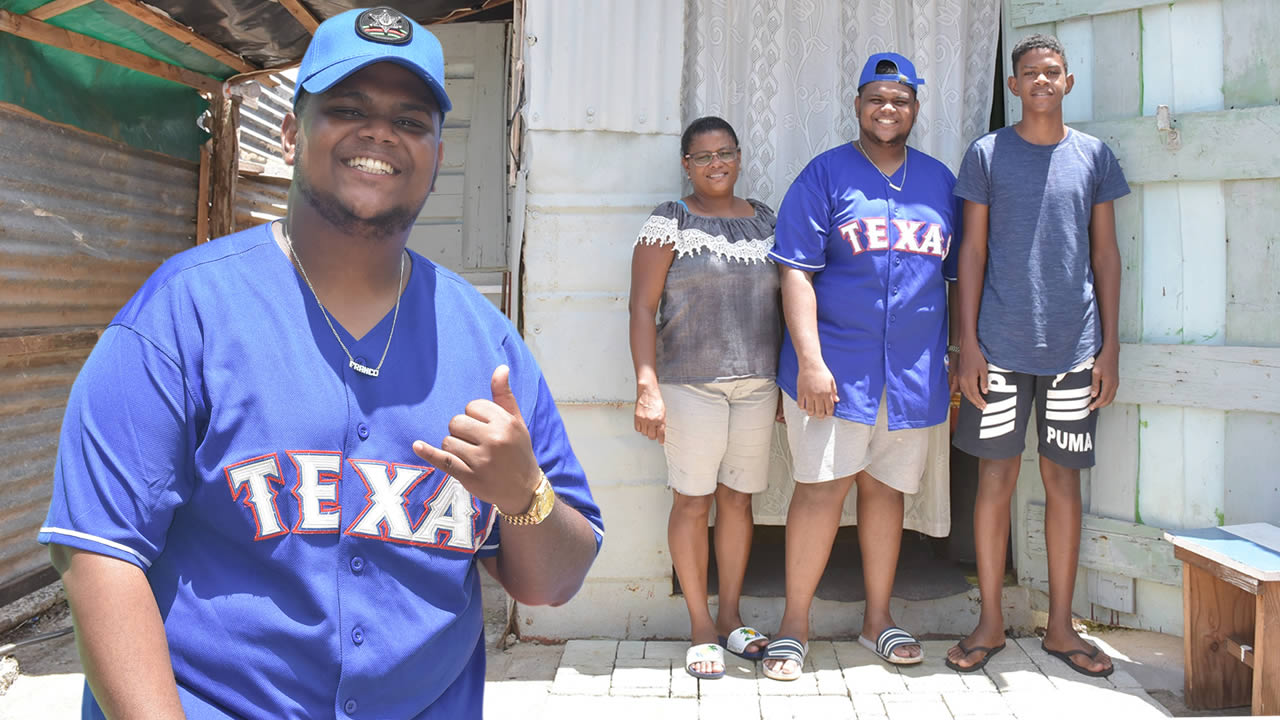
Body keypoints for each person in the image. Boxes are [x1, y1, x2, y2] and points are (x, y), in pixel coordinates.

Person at [38, 8, 603, 718]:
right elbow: (99, 556)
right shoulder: (184, 313)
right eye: (346, 108)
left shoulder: (484, 342)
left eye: (411, 119)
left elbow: (555, 582)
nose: (380, 133)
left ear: (435, 151)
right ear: (288, 132)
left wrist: (526, 496)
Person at [761, 53, 961, 681]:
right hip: (835, 371)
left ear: (915, 110)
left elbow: (956, 279)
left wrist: (955, 356)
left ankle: (878, 618)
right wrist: (811, 362)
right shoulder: (826, 174)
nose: (888, 110)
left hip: (911, 375)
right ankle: (795, 626)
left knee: (886, 493)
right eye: (877, 98)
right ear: (857, 105)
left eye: (900, 100)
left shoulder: (937, 181)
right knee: (820, 490)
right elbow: (794, 269)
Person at [946, 33, 1127, 677]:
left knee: (1062, 484)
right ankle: (990, 622)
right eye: (1030, 73)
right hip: (996, 348)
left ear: (1067, 82)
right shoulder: (988, 154)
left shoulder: (1095, 156)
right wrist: (966, 343)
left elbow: (1105, 255)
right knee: (995, 481)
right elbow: (969, 253)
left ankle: (1060, 628)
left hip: (1075, 348)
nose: (1042, 81)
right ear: (1015, 85)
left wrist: (1109, 345)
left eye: (1053, 72)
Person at [628, 116, 781, 679]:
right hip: (689, 382)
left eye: (725, 153)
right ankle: (698, 625)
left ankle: (731, 618)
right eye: (703, 156)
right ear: (687, 166)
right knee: (693, 501)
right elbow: (641, 309)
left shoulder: (765, 219)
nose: (716, 163)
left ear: (739, 157)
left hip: (758, 382)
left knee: (739, 500)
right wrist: (647, 386)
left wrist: (788, 379)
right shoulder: (670, 220)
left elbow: (788, 301)